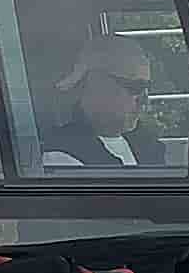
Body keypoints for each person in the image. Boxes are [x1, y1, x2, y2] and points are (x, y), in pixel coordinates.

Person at [37, 33, 170, 171]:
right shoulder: (61, 156)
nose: (144, 101)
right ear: (96, 85)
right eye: (135, 87)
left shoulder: (147, 146)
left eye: (147, 88)